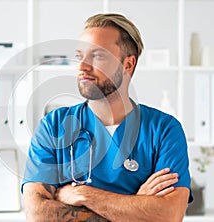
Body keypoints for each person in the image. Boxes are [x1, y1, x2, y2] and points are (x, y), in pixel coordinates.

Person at [22, 13, 193, 222]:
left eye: (98, 56)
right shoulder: (53, 126)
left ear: (128, 65)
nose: (82, 66)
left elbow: (169, 215)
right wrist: (136, 204)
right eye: (80, 56)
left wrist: (83, 194)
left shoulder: (163, 130)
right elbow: (38, 214)